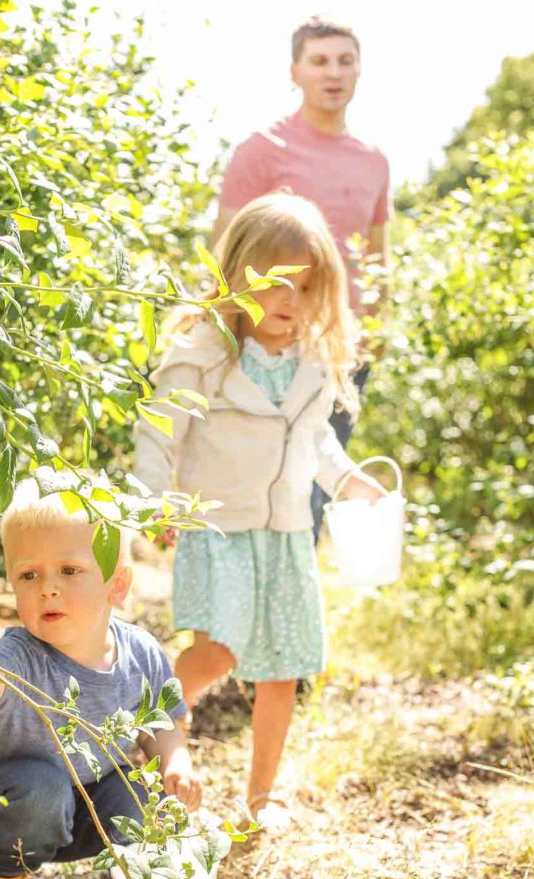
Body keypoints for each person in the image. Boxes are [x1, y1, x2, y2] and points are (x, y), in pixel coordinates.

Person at [133, 192, 384, 830]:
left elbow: (317, 439)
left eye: (305, 287)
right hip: (221, 529)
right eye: (275, 284)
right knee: (218, 652)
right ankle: (146, 715)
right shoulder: (205, 355)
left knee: (285, 666)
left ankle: (261, 796)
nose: (289, 302)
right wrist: (157, 504)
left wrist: (351, 481)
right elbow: (159, 435)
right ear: (238, 274)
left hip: (287, 534)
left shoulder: (310, 360)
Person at [0, 480, 201, 879]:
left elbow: (162, 723)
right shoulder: (19, 654)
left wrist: (175, 761)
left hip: (82, 805)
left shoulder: (140, 652)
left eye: (68, 569)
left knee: (138, 791)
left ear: (117, 586)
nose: (49, 587)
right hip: (5, 801)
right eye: (29, 575)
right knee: (42, 788)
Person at [212, 17, 392, 540]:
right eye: (319, 61)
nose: (333, 72)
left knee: (322, 475)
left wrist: (374, 329)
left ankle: (295, 600)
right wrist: (228, 331)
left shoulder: (374, 160)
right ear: (296, 71)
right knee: (268, 478)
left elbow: (378, 253)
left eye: (344, 60)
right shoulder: (261, 150)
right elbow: (226, 248)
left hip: (339, 344)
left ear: (359, 69)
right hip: (270, 341)